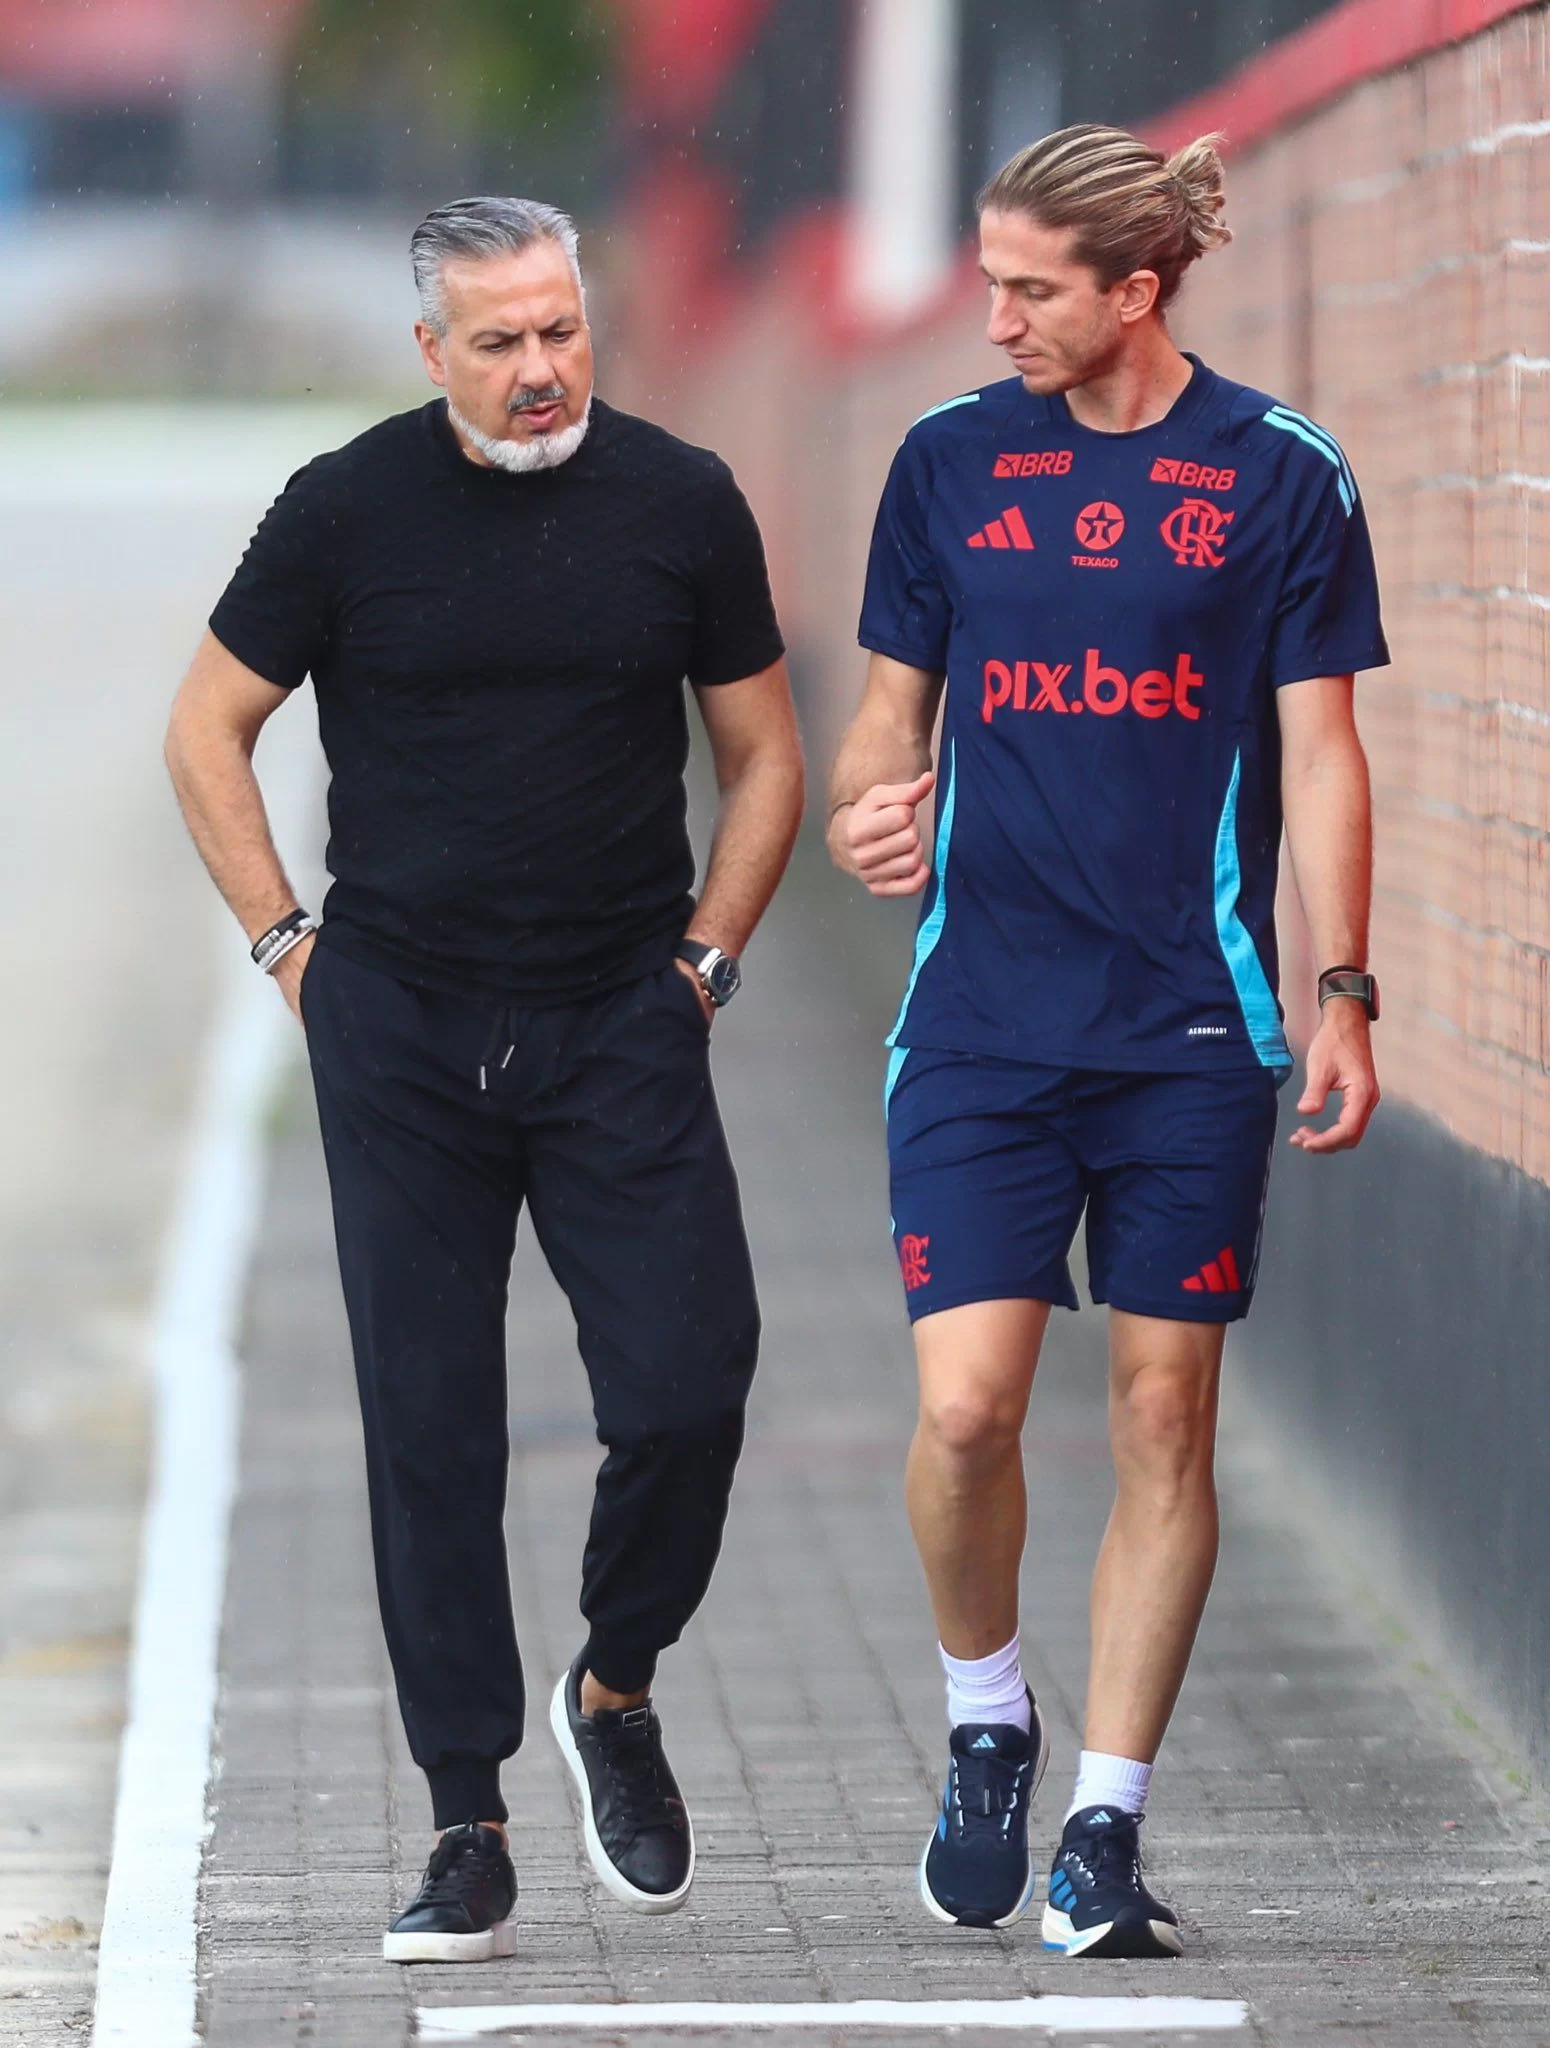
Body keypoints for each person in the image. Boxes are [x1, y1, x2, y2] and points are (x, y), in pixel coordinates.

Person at [165, 196, 803, 1961]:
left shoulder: (680, 500)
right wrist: (288, 949)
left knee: (687, 1386)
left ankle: (611, 1685)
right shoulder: (346, 506)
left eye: (562, 331)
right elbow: (205, 728)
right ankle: (466, 1817)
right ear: (431, 349)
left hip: (621, 1015)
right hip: (403, 1030)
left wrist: (705, 963)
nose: (542, 371)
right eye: (502, 341)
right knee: (430, 1436)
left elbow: (762, 763)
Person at [828, 125, 1384, 1957]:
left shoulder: (1278, 474)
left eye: (1025, 288)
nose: (989, 317)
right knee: (968, 1411)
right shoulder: (945, 467)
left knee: (1163, 1413)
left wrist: (1343, 989)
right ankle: (988, 1718)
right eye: (984, 279)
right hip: (980, 1020)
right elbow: (881, 726)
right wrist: (865, 813)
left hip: (1187, 1033)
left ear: (1133, 291)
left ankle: (1102, 1831)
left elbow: (1318, 755)